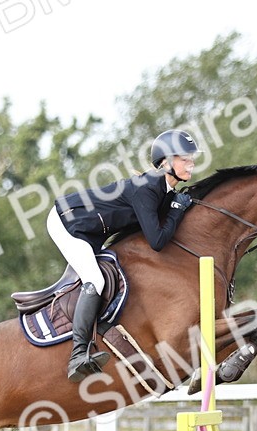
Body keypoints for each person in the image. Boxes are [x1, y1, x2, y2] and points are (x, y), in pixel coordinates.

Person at [47, 129, 201, 381]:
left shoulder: (163, 191)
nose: (191, 162)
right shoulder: (148, 188)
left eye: (191, 157)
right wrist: (175, 210)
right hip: (67, 221)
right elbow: (158, 241)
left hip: (91, 230)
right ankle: (77, 355)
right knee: (95, 280)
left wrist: (175, 206)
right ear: (167, 162)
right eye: (185, 158)